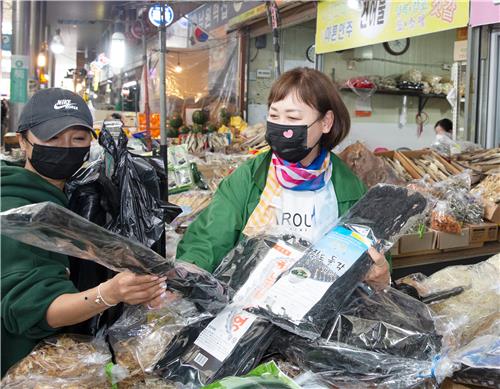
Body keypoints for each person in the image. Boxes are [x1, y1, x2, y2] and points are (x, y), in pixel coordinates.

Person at [1, 88, 166, 375]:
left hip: (56, 363)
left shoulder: (73, 196)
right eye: (52, 137)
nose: (65, 147)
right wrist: (111, 293)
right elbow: (33, 308)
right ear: (23, 141)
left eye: (78, 138)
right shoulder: (13, 212)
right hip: (17, 367)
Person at [176, 68, 390, 284]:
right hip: (248, 303)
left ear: (325, 122)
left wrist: (379, 277)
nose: (282, 126)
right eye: (274, 115)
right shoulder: (249, 178)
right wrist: (185, 276)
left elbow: (373, 256)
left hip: (319, 309)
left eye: (292, 117)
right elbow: (208, 240)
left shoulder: (349, 189)